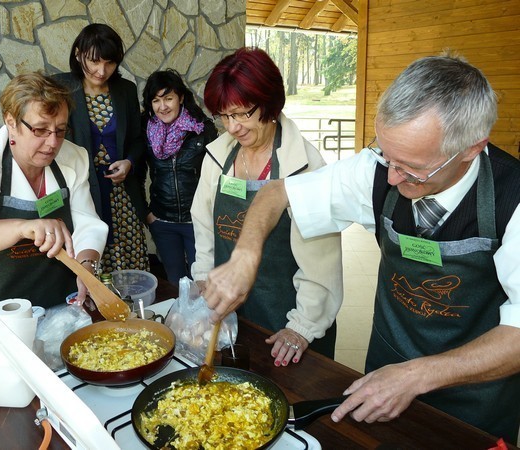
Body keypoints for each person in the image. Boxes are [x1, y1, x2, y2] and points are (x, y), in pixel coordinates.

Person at [202, 53, 520, 442]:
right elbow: (276, 192)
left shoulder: (513, 200)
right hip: (384, 372)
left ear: (472, 148)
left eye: (412, 168)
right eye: (387, 154)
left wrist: (418, 375)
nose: (391, 175)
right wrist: (246, 255)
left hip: (476, 400)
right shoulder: (377, 171)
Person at [190, 47, 343, 365]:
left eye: (243, 113)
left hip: (285, 317)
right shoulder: (219, 156)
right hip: (232, 310)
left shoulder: (305, 165)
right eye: (225, 115)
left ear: (270, 104)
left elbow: (322, 261)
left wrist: (302, 327)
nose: (233, 127)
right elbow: (204, 225)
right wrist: (204, 278)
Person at [0, 72, 108, 327]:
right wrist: (23, 227)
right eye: (40, 130)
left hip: (57, 311)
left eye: (60, 130)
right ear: (11, 121)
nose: (52, 143)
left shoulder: (73, 157)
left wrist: (87, 266)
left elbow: (87, 223)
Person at [53, 23, 149, 273]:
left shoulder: (125, 90)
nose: (101, 70)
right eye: (94, 61)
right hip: (82, 191)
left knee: (129, 260)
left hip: (122, 194)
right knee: (89, 254)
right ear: (78, 54)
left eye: (109, 63)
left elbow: (138, 139)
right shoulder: (61, 88)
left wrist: (129, 162)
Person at [140, 69, 218, 285]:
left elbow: (217, 175)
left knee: (202, 284)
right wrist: (147, 214)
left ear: (181, 98)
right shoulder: (145, 131)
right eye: (156, 100)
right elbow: (136, 174)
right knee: (176, 283)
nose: (162, 106)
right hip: (163, 221)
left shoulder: (202, 129)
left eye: (168, 98)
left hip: (198, 221)